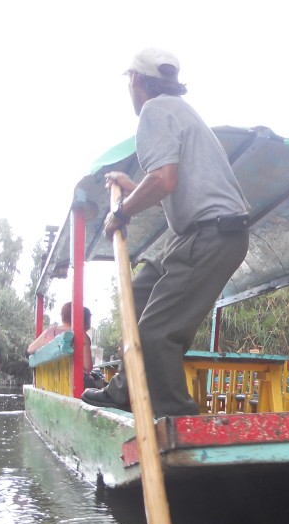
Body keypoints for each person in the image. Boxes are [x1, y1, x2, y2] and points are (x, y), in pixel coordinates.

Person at [81, 46, 250, 417]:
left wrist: (120, 213)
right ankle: (124, 389)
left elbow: (165, 179)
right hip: (199, 232)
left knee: (156, 335)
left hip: (212, 236)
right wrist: (133, 184)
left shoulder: (154, 111)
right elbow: (179, 188)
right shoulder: (184, 112)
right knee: (141, 290)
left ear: (136, 80)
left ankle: (181, 422)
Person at [27, 302, 94, 376]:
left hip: (48, 380)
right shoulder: (82, 336)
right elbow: (88, 367)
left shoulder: (50, 331)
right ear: (82, 318)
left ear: (63, 317)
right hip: (71, 382)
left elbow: (30, 349)